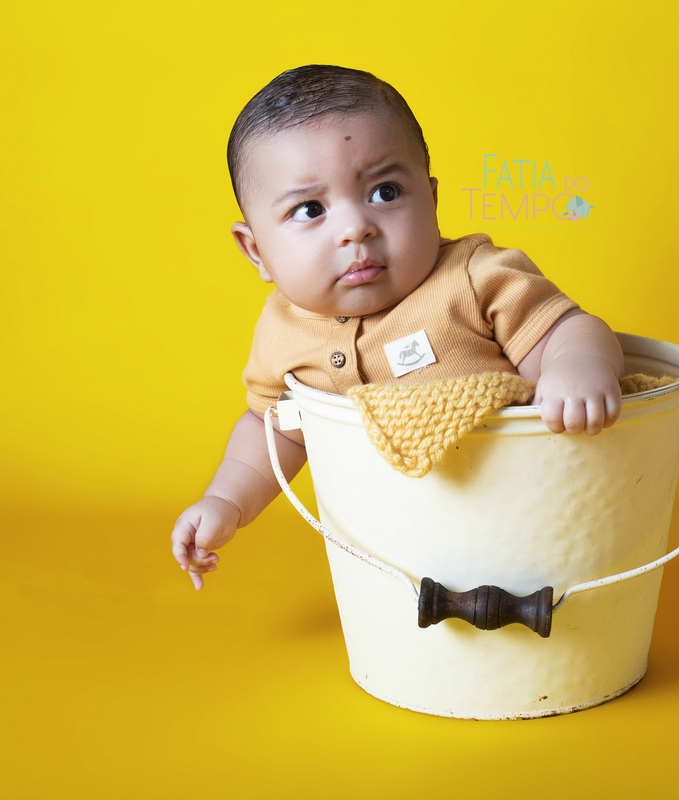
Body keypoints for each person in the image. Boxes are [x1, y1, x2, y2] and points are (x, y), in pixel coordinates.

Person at [171, 65, 624, 590]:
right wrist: (226, 501)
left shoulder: (476, 276)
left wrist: (576, 365)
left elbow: (569, 328)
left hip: (525, 519)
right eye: (310, 209)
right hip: (393, 548)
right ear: (257, 251)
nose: (355, 227)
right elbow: (274, 431)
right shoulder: (282, 332)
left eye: (385, 192)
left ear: (431, 201)